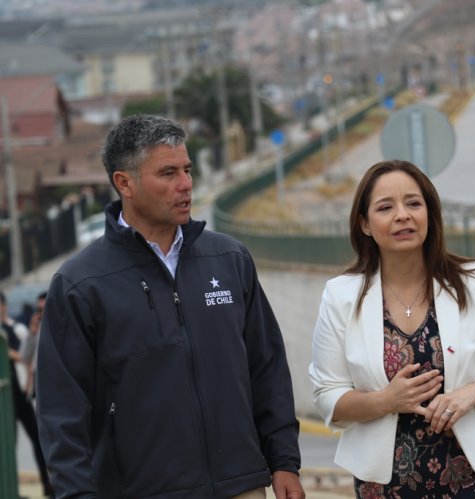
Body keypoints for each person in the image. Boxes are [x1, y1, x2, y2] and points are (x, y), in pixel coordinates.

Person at [36, 114, 305, 499]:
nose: (186, 185)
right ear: (123, 183)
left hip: (241, 484)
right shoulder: (80, 284)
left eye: (187, 170)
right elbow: (61, 410)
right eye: (167, 173)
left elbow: (267, 368)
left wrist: (283, 461)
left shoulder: (229, 259)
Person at [308, 159, 475, 497]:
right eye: (386, 207)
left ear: (430, 213)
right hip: (385, 484)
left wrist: (471, 394)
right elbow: (329, 396)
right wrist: (387, 400)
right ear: (365, 224)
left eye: (414, 203)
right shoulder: (340, 296)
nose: (403, 215)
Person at [0, 290, 53, 497]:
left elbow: (22, 359)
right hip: (12, 395)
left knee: (40, 439)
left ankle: (50, 484)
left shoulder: (15, 329)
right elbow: (25, 355)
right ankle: (10, 486)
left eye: (44, 309)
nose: (41, 314)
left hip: (23, 393)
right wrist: (32, 332)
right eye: (38, 310)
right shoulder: (30, 331)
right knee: (8, 441)